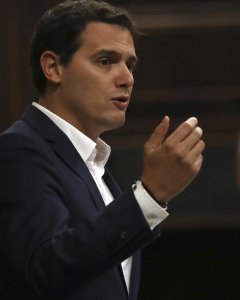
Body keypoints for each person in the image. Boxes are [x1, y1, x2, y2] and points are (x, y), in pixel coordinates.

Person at [0, 1, 205, 299]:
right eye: (106, 61)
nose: (127, 78)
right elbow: (46, 270)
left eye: (130, 64)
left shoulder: (95, 164)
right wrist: (149, 196)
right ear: (53, 67)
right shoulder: (18, 152)